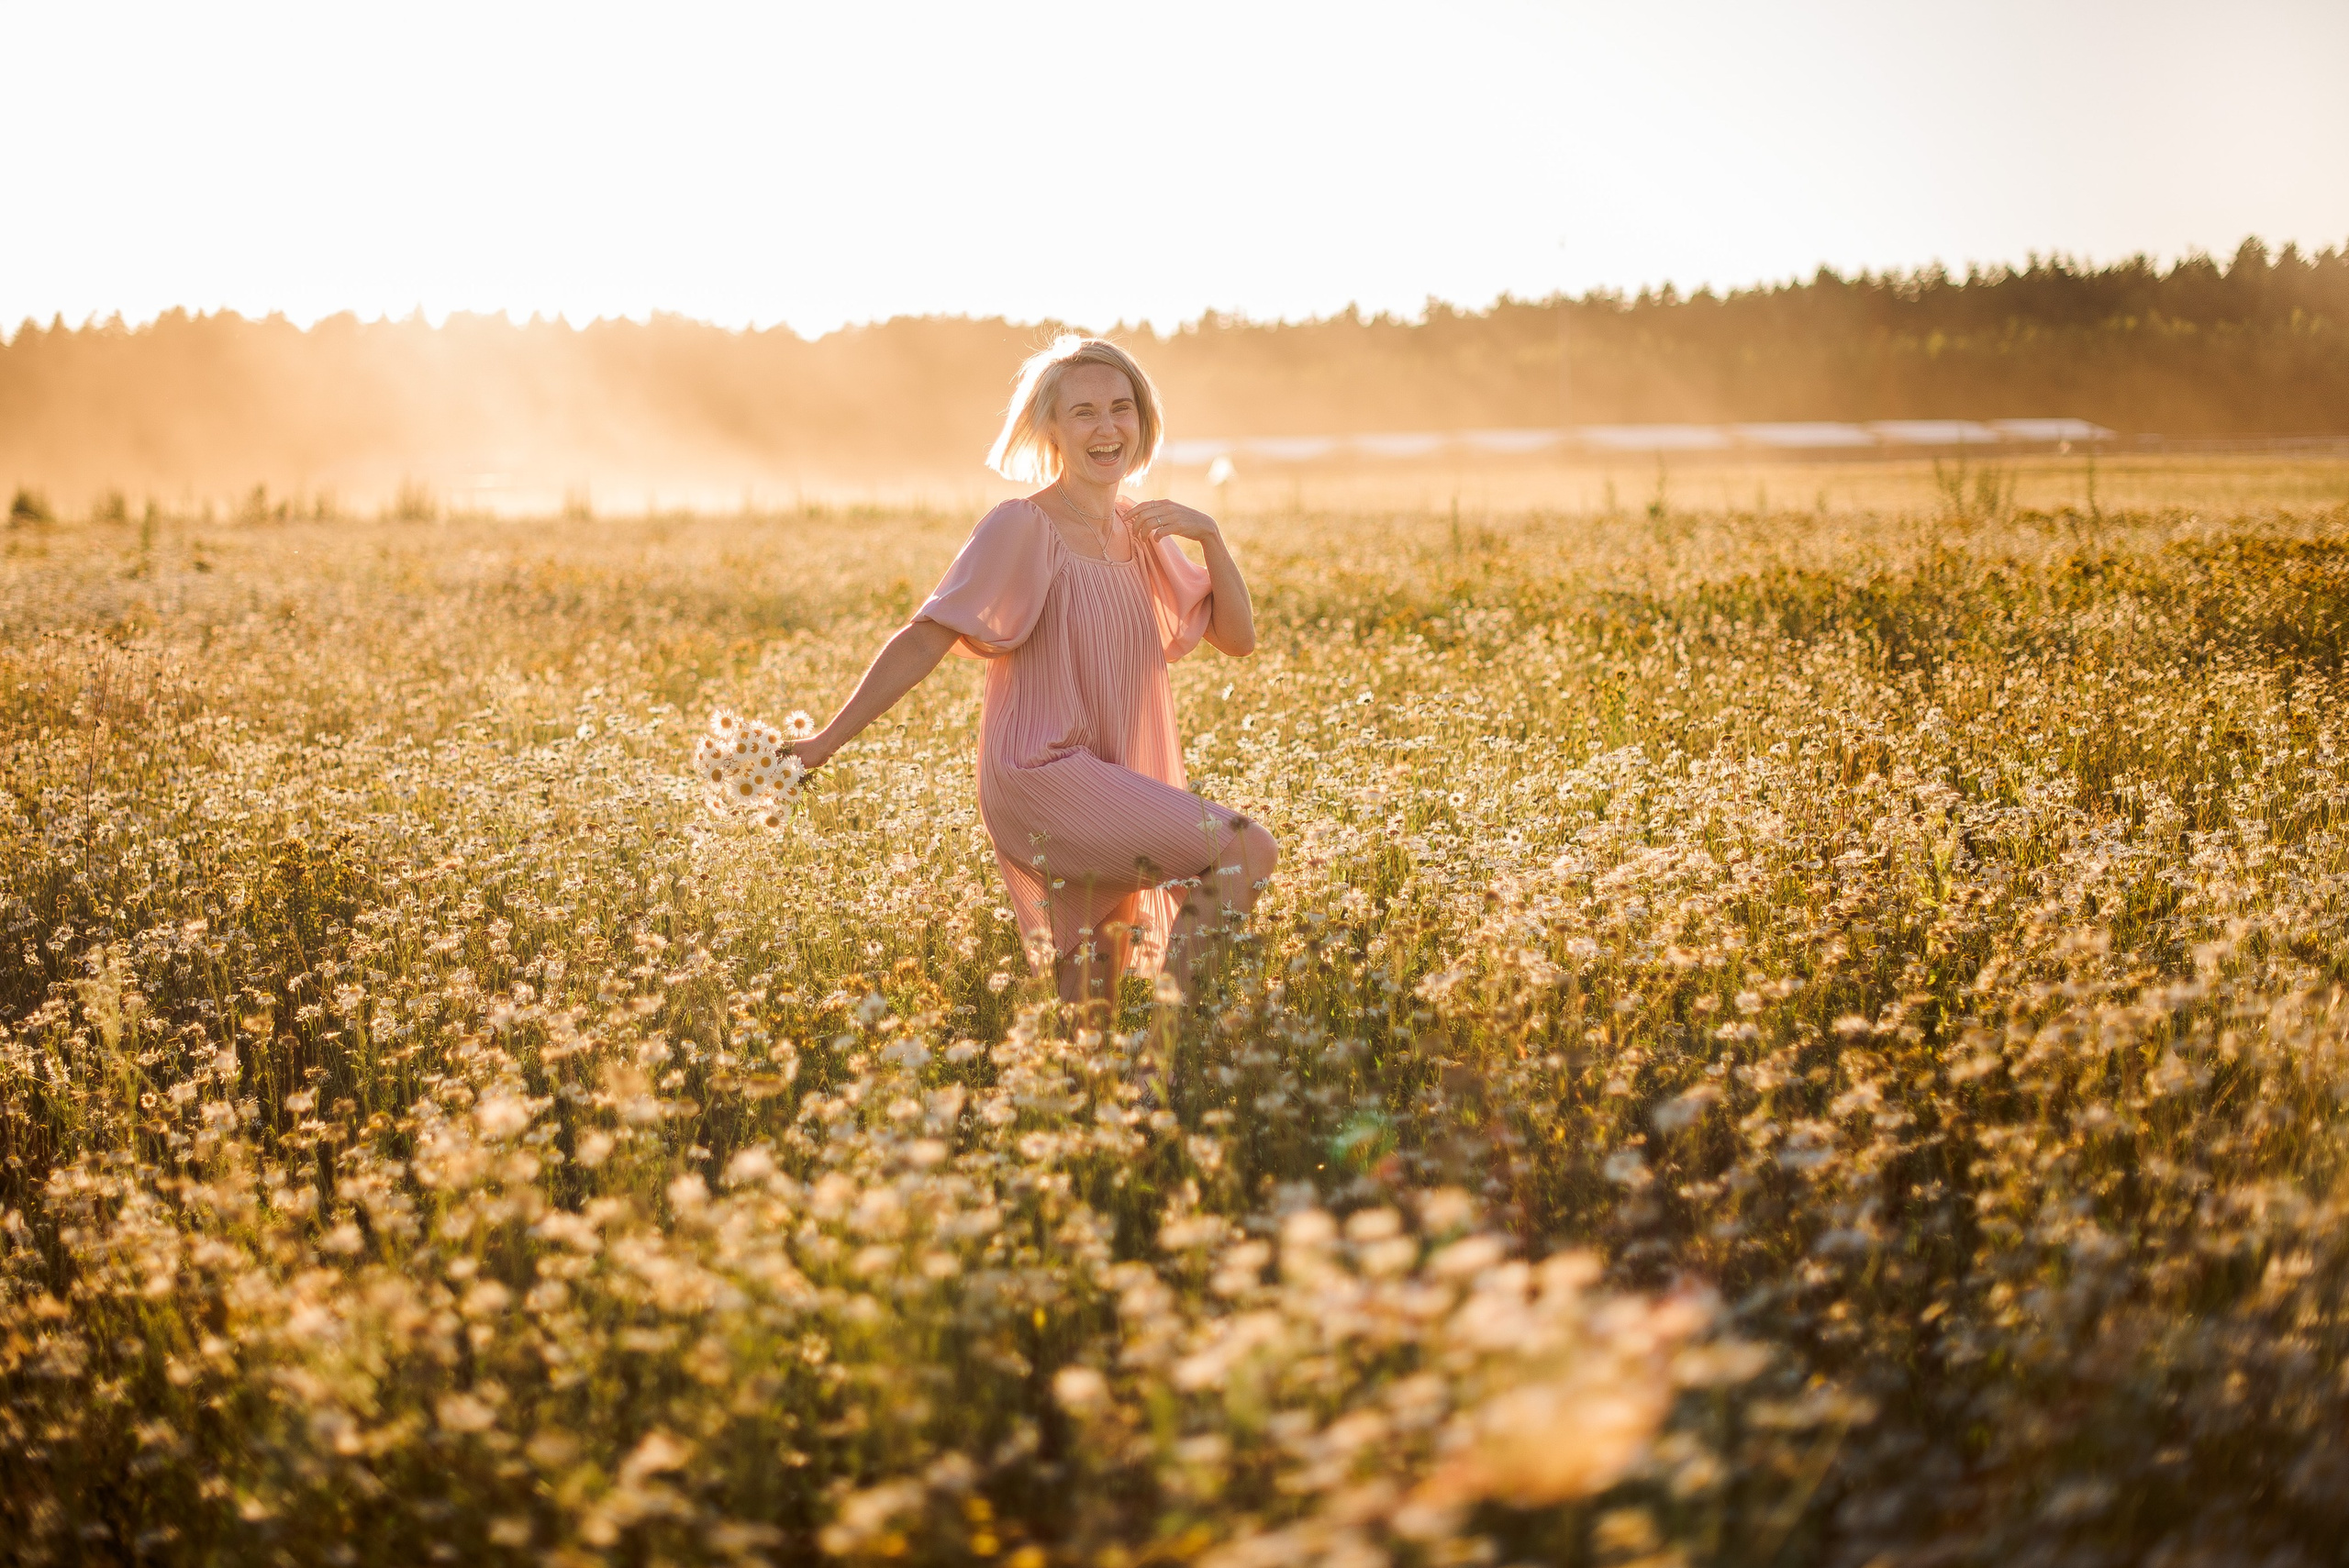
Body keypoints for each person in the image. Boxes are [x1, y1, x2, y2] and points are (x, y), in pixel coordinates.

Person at [788, 337, 1277, 1005]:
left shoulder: (1142, 530)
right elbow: (924, 635)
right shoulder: (1022, 524)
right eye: (1083, 412)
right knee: (1247, 850)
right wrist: (822, 742)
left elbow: (1238, 639)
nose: (1106, 428)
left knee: (1091, 997)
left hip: (1110, 769)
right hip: (1039, 771)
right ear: (1051, 427)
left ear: (1142, 420)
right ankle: (1167, 1035)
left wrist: (1211, 535)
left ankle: (1110, 1091)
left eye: (1120, 408)